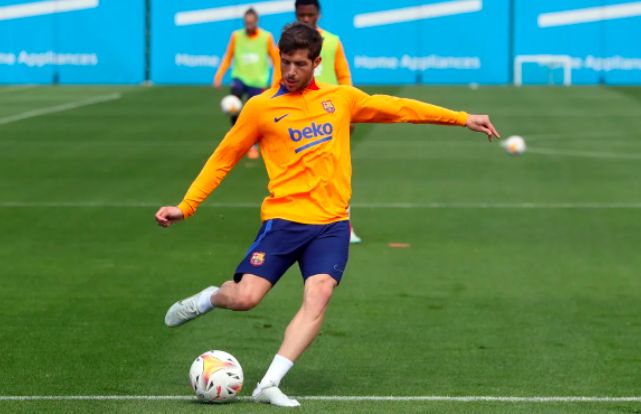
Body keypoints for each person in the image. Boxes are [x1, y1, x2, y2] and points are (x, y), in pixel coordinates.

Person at [156, 22, 500, 407]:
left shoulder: (341, 99)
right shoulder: (261, 108)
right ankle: (208, 298)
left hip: (332, 225)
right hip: (284, 221)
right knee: (246, 298)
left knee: (318, 294)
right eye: (285, 62)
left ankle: (269, 383)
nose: (290, 72)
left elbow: (399, 108)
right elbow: (222, 160)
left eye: (299, 64)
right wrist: (186, 206)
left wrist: (461, 117)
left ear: (317, 62)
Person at [295, 0, 360, 243]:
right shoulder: (290, 42)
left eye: (310, 14)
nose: (306, 19)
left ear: (318, 15)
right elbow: (279, 80)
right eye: (302, 15)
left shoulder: (331, 41)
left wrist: (350, 109)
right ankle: (302, 222)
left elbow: (343, 76)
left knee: (336, 170)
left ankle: (344, 224)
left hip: (330, 115)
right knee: (300, 171)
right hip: (299, 116)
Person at [213, 7, 279, 159]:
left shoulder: (266, 37)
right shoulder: (236, 36)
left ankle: (253, 145)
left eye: (251, 22)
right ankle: (236, 137)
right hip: (239, 78)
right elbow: (228, 57)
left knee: (254, 114)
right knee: (233, 105)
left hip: (258, 81)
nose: (248, 25)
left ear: (256, 21)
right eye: (246, 23)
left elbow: (275, 59)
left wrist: (276, 80)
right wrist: (219, 76)